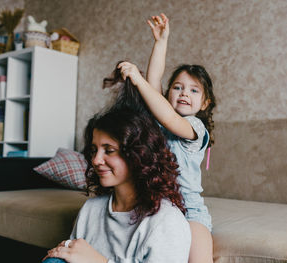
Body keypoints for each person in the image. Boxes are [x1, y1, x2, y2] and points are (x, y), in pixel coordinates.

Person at [42, 77, 191, 263]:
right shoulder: (91, 209)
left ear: (139, 154)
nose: (95, 160)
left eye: (109, 150)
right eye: (94, 150)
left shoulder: (166, 221)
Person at [117, 13, 216, 263]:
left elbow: (169, 119)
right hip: (158, 208)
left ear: (204, 103)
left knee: (198, 251)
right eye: (177, 87)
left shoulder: (195, 127)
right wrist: (161, 42)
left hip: (189, 210)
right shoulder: (161, 118)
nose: (184, 93)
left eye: (194, 90)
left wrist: (138, 80)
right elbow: (153, 84)